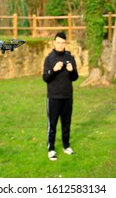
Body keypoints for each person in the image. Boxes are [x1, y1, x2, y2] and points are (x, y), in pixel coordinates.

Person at [42, 32, 79, 161]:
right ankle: (51, 149)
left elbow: (75, 77)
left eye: (63, 43)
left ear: (65, 43)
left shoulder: (70, 57)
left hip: (67, 96)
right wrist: (54, 70)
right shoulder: (49, 58)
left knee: (66, 123)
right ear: (54, 43)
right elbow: (45, 78)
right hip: (53, 97)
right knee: (52, 125)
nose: (60, 45)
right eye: (58, 42)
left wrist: (71, 71)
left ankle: (66, 146)